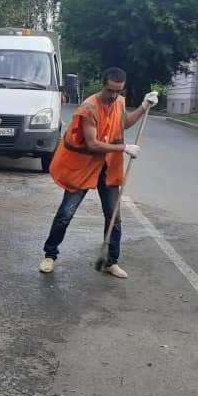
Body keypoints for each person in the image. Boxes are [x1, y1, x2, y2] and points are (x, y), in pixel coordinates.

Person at [39, 67, 158, 279]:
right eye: (111, 90)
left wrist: (143, 106)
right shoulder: (89, 108)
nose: (114, 96)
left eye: (118, 91)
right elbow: (93, 144)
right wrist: (124, 148)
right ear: (103, 85)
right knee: (65, 214)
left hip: (109, 169)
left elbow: (125, 123)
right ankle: (50, 255)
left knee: (114, 217)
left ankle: (110, 262)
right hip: (84, 169)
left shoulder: (119, 103)